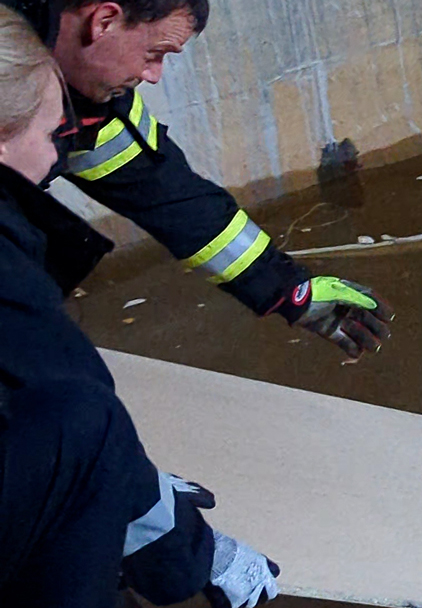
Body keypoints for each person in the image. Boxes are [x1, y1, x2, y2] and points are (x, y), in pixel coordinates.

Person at [0, 9, 276, 608]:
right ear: (105, 19)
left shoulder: (23, 58)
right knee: (83, 424)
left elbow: (159, 183)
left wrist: (285, 287)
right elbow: (74, 414)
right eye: (56, 138)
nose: (64, 156)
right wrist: (192, 552)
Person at [3, 0, 394, 361]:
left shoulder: (90, 100)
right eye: (154, 54)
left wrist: (290, 290)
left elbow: (172, 197)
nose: (152, 75)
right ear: (104, 20)